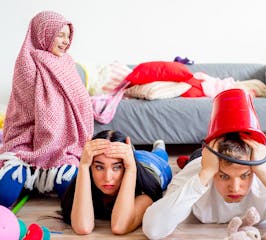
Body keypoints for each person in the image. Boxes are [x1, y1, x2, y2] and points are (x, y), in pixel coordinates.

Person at [142, 89, 266, 240]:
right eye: (224, 176)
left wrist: (263, 169)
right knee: (169, 161)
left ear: (254, 169)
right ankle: (160, 148)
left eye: (244, 175)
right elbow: (153, 229)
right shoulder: (198, 172)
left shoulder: (265, 176)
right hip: (200, 159)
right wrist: (206, 172)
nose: (235, 187)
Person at [0, 11, 93, 207]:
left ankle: (40, 177)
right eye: (60, 35)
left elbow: (80, 100)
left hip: (63, 146)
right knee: (5, 195)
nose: (66, 41)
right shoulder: (27, 63)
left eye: (68, 36)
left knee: (72, 191)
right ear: (44, 33)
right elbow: (33, 111)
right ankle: (28, 174)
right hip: (26, 143)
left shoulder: (67, 62)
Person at [61, 130, 172, 235]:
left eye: (117, 167)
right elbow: (83, 227)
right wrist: (83, 165)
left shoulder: (144, 191)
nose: (108, 178)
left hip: (152, 164)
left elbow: (120, 226)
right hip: (128, 158)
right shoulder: (84, 178)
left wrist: (131, 168)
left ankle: (159, 147)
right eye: (99, 167)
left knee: (160, 154)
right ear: (91, 167)